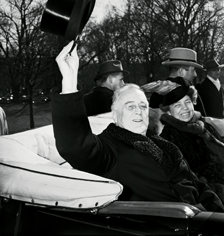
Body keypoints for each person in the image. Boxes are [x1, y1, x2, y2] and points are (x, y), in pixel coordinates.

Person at [51, 41, 224, 212]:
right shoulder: (110, 149)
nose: (139, 112)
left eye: (142, 106)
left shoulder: (159, 143)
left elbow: (196, 184)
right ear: (115, 114)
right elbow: (75, 145)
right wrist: (69, 81)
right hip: (174, 221)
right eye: (130, 106)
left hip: (205, 209)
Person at [157, 77, 224, 202]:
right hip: (210, 198)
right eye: (177, 105)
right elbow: (187, 181)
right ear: (169, 111)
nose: (185, 108)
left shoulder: (204, 127)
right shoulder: (168, 139)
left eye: (187, 102)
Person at [143, 47, 204, 134]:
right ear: (181, 71)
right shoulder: (190, 92)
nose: (195, 74)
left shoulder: (156, 94)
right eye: (193, 70)